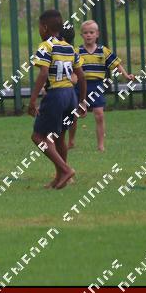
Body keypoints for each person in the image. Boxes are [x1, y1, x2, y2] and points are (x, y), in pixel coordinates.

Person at [28, 10, 86, 190]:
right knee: (59, 138)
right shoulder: (69, 47)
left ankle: (66, 170)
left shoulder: (46, 46)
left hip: (56, 95)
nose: (39, 30)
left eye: (39, 26)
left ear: (44, 27)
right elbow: (81, 76)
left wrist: (32, 100)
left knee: (38, 136)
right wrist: (82, 101)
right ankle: (60, 177)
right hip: (71, 95)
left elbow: (43, 73)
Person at [69, 20, 134, 152]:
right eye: (85, 33)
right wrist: (71, 78)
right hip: (80, 86)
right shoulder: (77, 51)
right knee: (73, 116)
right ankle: (71, 141)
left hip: (97, 86)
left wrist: (126, 75)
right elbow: (70, 68)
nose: (88, 35)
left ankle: (100, 145)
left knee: (99, 115)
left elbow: (116, 64)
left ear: (97, 34)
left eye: (91, 32)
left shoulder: (103, 51)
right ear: (81, 35)